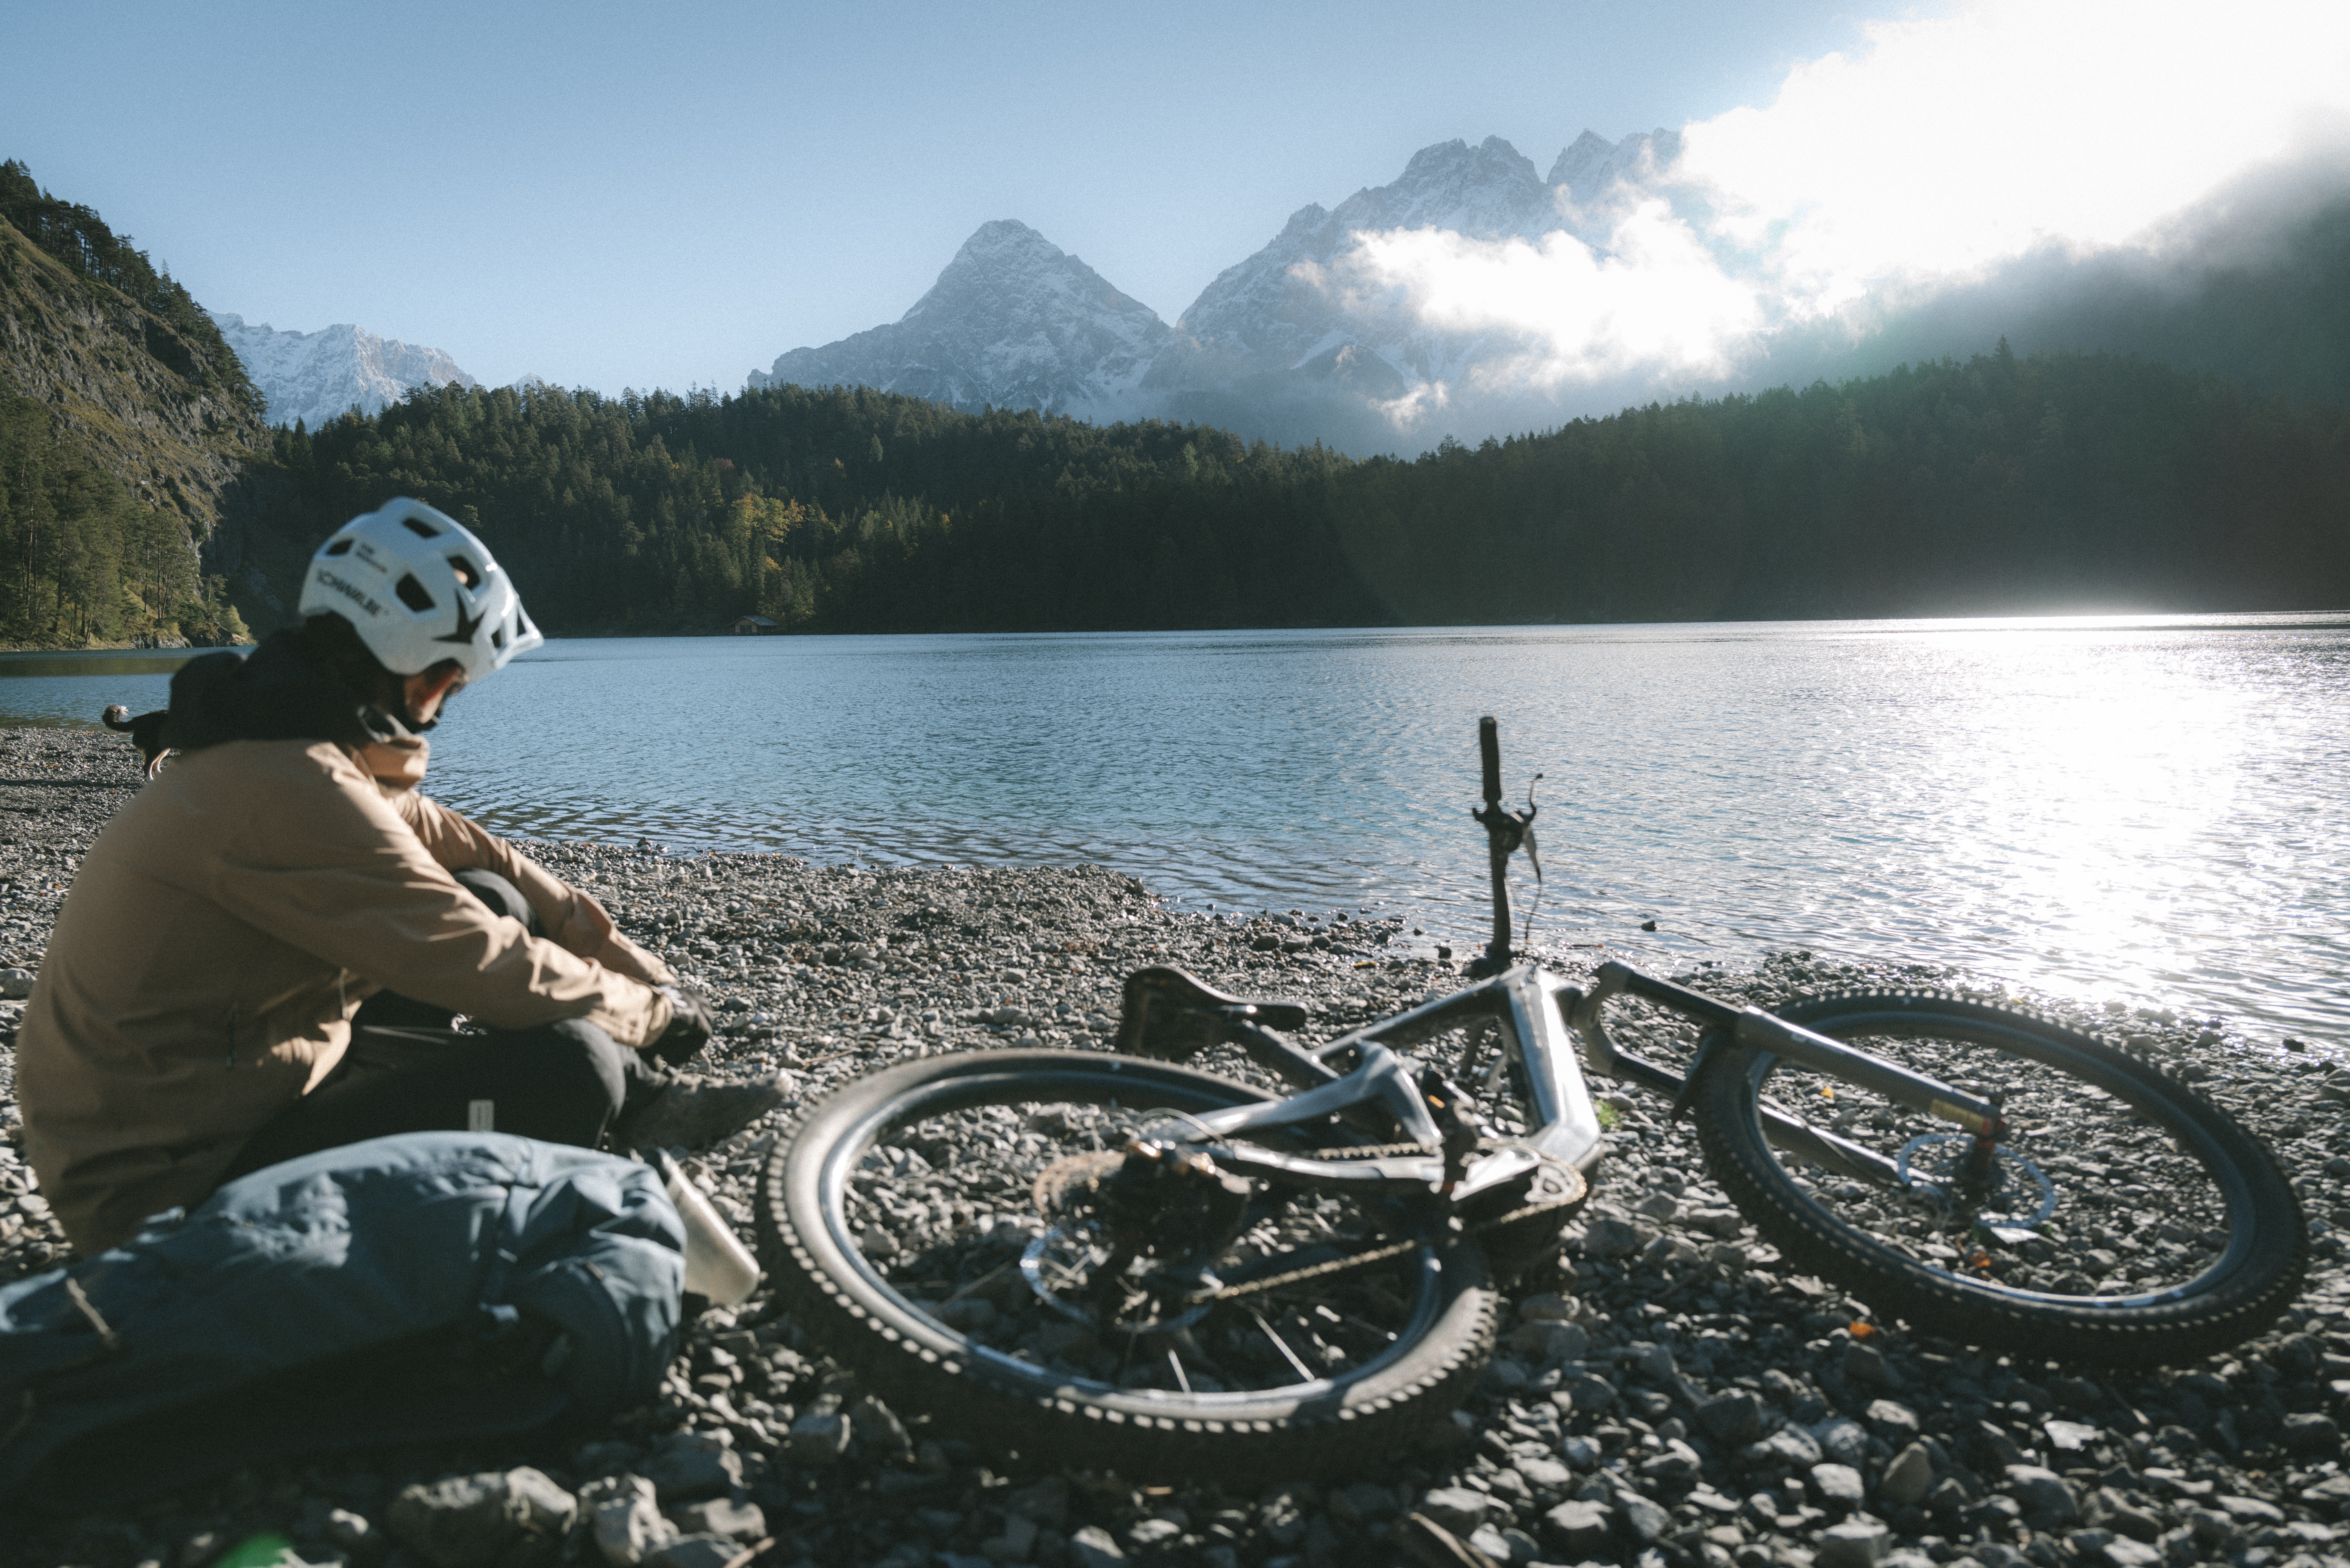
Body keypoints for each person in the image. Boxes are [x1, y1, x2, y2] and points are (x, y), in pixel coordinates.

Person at [18, 498, 786, 1255]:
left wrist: (612, 950)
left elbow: (464, 846)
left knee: (497, 897)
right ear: (406, 666)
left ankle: (636, 1107)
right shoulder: (293, 789)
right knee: (571, 1069)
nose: (444, 706)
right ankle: (547, 1192)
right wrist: (652, 1018)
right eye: (448, 680)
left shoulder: (273, 745)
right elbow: (482, 963)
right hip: (157, 1194)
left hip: (211, 1098)